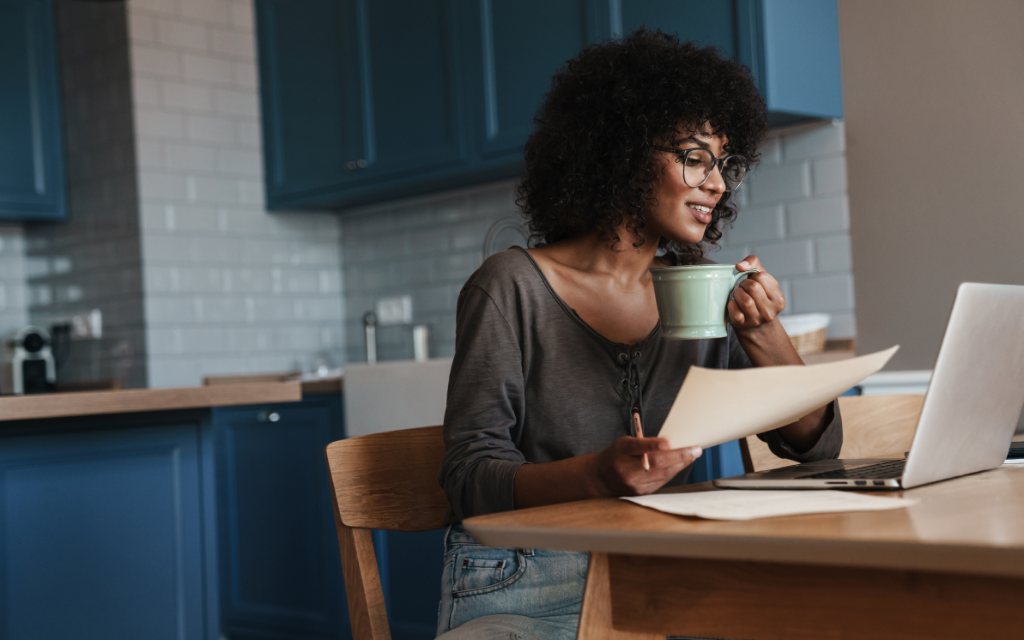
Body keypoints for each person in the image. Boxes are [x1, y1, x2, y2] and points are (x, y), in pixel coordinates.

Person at [435, 28, 843, 640]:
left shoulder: (702, 288)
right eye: (695, 157)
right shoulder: (510, 287)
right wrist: (599, 476)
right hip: (525, 579)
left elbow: (814, 445)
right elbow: (470, 478)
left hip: (667, 575)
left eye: (723, 163)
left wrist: (764, 333)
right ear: (620, 151)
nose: (719, 184)